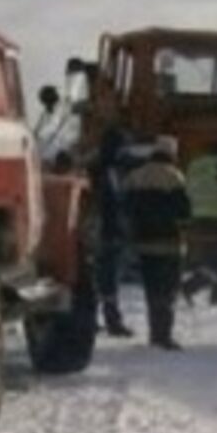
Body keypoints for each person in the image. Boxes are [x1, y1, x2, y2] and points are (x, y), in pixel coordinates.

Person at [122, 137, 190, 350]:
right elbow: (184, 211)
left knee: (152, 290)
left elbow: (126, 208)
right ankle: (164, 334)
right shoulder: (174, 176)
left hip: (144, 243)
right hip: (169, 242)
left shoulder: (135, 176)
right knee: (168, 290)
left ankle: (154, 333)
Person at [91, 126, 134, 337]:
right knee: (107, 278)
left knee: (101, 278)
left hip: (104, 230)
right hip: (107, 231)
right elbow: (111, 203)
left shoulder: (101, 169)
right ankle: (112, 320)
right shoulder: (108, 172)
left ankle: (99, 318)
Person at [182, 141, 217, 306]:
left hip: (196, 216)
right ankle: (202, 291)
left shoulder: (194, 166)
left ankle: (212, 293)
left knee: (209, 258)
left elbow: (187, 188)